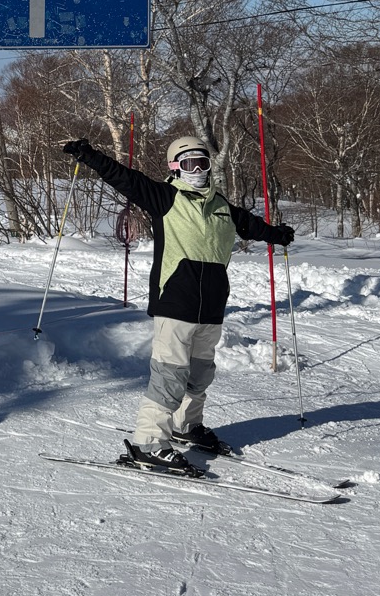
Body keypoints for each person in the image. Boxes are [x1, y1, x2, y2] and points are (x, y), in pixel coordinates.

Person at [61, 133, 295, 472]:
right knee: (169, 376)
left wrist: (278, 234)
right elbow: (126, 179)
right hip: (175, 302)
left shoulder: (222, 207)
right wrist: (91, 157)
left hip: (211, 306)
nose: (198, 169)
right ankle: (148, 442)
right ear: (176, 167)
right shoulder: (165, 197)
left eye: (203, 162)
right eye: (189, 163)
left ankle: (187, 427)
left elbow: (252, 226)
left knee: (200, 375)